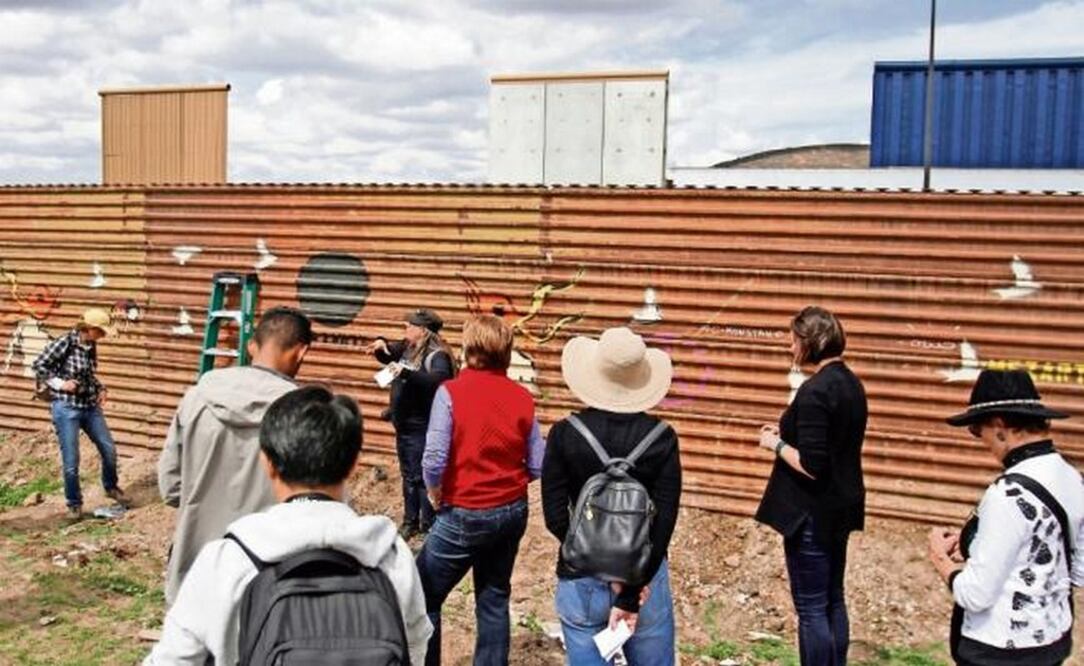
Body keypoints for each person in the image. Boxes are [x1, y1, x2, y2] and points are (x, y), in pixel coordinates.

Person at [144, 386, 432, 665]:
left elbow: (175, 658)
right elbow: (415, 646)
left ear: (267, 463)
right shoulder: (390, 554)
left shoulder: (229, 559)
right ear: (353, 465)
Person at [542, 326, 681, 666]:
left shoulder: (564, 434)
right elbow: (663, 525)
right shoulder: (662, 438)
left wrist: (595, 558)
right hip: (644, 577)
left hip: (581, 576)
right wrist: (630, 587)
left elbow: (555, 517)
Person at [157, 306, 312, 605]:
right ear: (301, 352)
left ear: (252, 346)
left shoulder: (196, 398)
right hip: (269, 584)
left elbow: (171, 486)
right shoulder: (305, 412)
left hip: (196, 576)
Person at [928, 369, 1083, 666]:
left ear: (1000, 426)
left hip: (998, 650)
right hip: (1051, 643)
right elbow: (1077, 572)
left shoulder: (1008, 494)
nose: (980, 440)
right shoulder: (1072, 477)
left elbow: (974, 595)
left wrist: (941, 560)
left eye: (977, 430)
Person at [416, 314, 543, 666]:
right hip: (512, 510)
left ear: (468, 349)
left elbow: (434, 458)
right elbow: (536, 464)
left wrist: (434, 492)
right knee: (494, 597)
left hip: (464, 512)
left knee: (422, 594)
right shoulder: (522, 397)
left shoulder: (451, 392)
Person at [754, 305, 868, 666]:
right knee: (834, 598)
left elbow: (813, 464)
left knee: (812, 608)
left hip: (811, 516)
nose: (790, 348)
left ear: (808, 342)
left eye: (793, 341)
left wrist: (776, 444)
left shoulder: (816, 391)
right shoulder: (851, 383)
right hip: (840, 509)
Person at [367, 308, 456, 539]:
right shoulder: (408, 348)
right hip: (403, 423)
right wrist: (380, 346)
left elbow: (438, 380)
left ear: (422, 330)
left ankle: (427, 524)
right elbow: (388, 354)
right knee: (408, 474)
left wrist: (406, 374)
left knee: (421, 475)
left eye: (409, 326)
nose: (405, 330)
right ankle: (410, 521)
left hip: (421, 425)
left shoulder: (437, 355)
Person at [32, 307, 127, 519]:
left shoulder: (90, 345)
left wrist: (101, 389)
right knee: (71, 461)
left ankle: (111, 487)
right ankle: (74, 503)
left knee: (108, 449)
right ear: (90, 329)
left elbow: (88, 375)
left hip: (89, 407)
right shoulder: (64, 343)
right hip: (67, 408)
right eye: (100, 331)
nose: (102, 336)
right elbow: (39, 365)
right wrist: (61, 383)